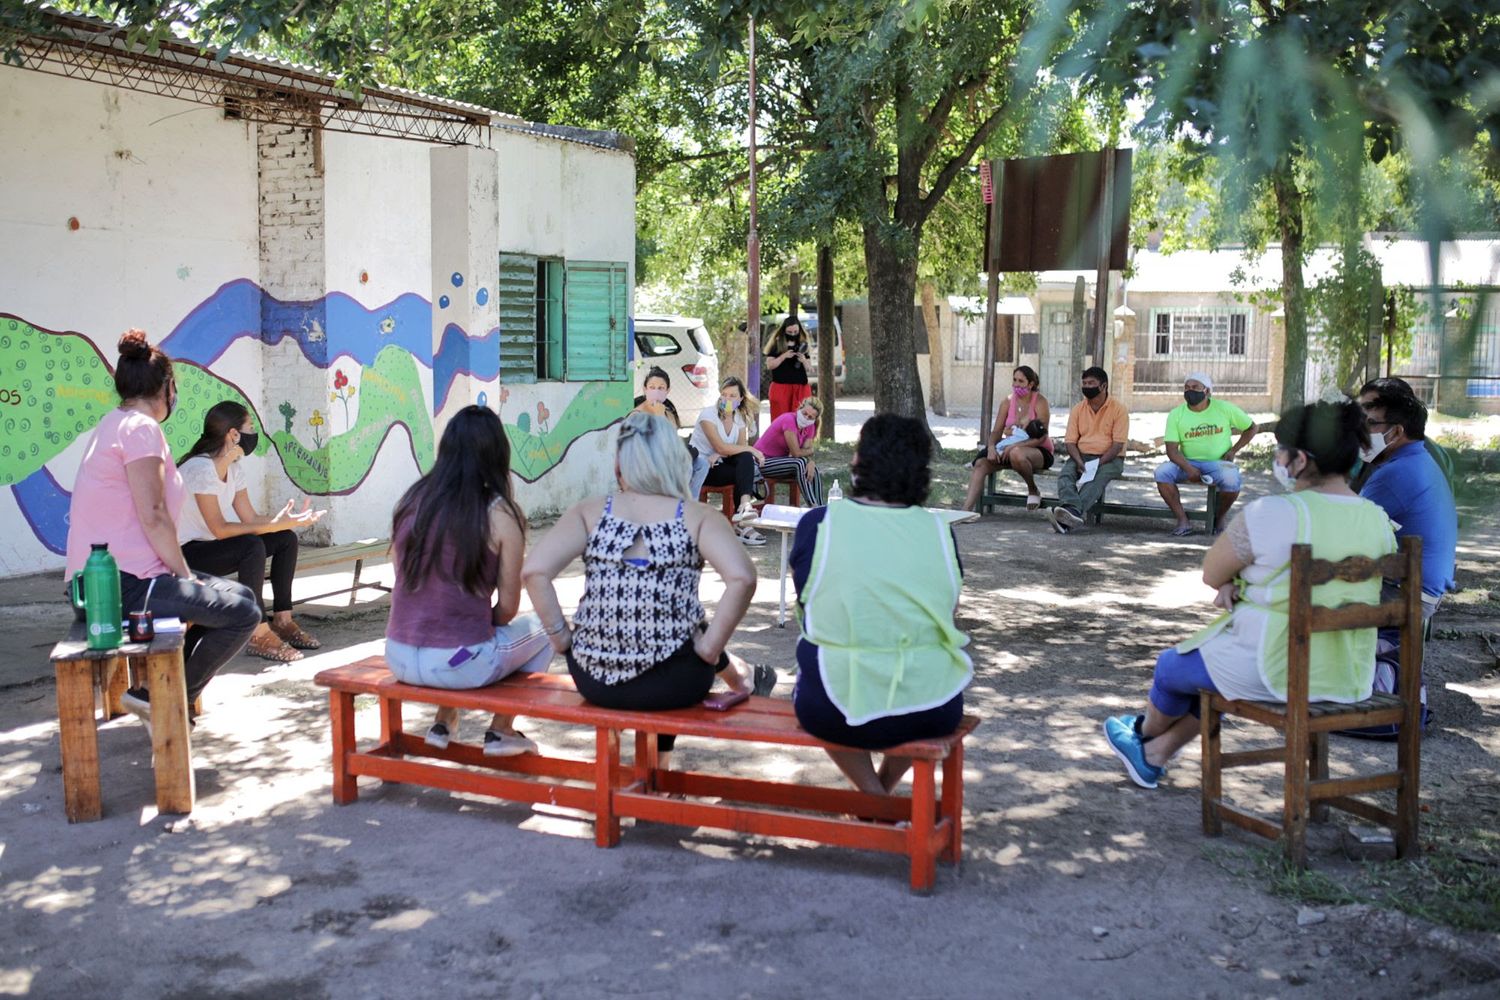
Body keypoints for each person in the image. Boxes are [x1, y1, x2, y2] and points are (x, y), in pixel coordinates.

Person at [1102, 401, 1397, 789]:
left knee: (1174, 668)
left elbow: (1211, 572)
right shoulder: (1377, 517)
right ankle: (1154, 754)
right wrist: (1240, 583)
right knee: (1212, 669)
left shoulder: (1272, 512)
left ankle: (1143, 735)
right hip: (1349, 674)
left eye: (1281, 451)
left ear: (1299, 460)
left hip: (1275, 667)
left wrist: (1231, 582)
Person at [522, 411, 775, 771]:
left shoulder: (589, 512)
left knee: (670, 629)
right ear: (675, 462)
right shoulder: (699, 516)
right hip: (675, 681)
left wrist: (562, 640)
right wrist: (709, 647)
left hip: (594, 676)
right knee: (683, 633)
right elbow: (743, 578)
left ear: (619, 466)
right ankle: (663, 769)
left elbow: (534, 571)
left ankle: (657, 773)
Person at [64, 330, 261, 733]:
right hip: (122, 587)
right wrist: (184, 576)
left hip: (116, 582)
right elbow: (153, 513)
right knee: (243, 613)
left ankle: (159, 694)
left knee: (240, 595)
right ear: (168, 388)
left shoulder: (115, 423)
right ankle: (167, 699)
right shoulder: (140, 429)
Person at [790, 414, 972, 794]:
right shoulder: (941, 533)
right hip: (931, 704)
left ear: (857, 462)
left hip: (835, 703)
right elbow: (947, 612)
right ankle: (880, 796)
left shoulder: (819, 524)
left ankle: (874, 798)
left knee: (812, 655)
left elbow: (811, 607)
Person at [385, 405, 552, 757]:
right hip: (458, 661)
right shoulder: (501, 513)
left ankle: (444, 721)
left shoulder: (411, 501)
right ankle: (501, 730)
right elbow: (507, 610)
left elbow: (410, 586)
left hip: (398, 654)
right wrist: (471, 619)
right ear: (497, 454)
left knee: (456, 635)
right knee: (548, 626)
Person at [177, 401, 326, 662]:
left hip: (210, 546)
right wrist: (276, 523)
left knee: (285, 540)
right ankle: (257, 633)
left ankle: (282, 619)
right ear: (233, 434)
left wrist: (288, 521)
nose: (253, 433)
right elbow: (220, 529)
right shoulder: (199, 469)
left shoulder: (234, 469)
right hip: (185, 554)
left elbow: (251, 518)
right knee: (250, 547)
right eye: (250, 427)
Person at [1352, 381, 1457, 734]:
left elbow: (1345, 538)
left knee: (1303, 589)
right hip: (1418, 585)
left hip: (1407, 592)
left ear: (1396, 431)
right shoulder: (1417, 459)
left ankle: (1327, 691)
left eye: (1368, 424)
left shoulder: (1395, 473)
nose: (1359, 431)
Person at [1154, 372, 1257, 536]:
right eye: (1186, 388)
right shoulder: (1176, 414)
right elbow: (1171, 450)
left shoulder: (1224, 408)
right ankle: (1182, 520)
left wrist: (1233, 450)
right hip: (1187, 462)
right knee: (1162, 472)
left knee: (1232, 480)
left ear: (1207, 391)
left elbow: (1252, 427)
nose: (1190, 391)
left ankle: (1219, 518)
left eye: (1195, 387)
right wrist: (1188, 468)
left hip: (1218, 463)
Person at [1047, 366, 1129, 534]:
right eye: (1084, 383)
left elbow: (1117, 445)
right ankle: (1071, 511)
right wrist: (1078, 461)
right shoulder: (1078, 409)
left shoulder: (1119, 410)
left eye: (1091, 383)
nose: (1086, 386)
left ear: (1104, 386)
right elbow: (1070, 442)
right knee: (1065, 475)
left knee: (1095, 479)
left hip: (1110, 459)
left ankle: (1069, 515)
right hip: (1081, 455)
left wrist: (1098, 463)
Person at [962, 365, 1054, 511]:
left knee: (1017, 453)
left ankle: (1033, 490)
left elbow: (1042, 437)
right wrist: (991, 447)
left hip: (1038, 450)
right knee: (980, 464)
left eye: (1021, 381)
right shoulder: (1007, 401)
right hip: (1008, 451)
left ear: (1030, 384)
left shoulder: (1040, 402)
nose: (1016, 384)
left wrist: (1015, 447)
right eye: (1014, 380)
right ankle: (965, 511)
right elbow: (997, 431)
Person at [688, 376, 766, 545]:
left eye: (732, 396)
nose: (727, 399)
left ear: (740, 399)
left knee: (744, 461)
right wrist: (752, 449)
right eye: (724, 394)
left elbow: (738, 450)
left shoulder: (739, 417)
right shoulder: (708, 415)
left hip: (721, 464)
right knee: (745, 463)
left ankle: (744, 508)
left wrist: (722, 454)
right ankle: (743, 525)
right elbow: (723, 447)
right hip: (703, 468)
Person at [756, 395, 823, 506]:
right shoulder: (789, 420)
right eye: (805, 413)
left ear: (815, 419)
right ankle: (813, 506)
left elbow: (805, 451)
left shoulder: (810, 426)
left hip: (779, 462)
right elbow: (796, 453)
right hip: (761, 461)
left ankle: (821, 510)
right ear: (799, 408)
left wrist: (811, 461)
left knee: (812, 469)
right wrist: (810, 452)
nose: (806, 418)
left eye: (811, 417)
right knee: (799, 463)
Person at [764, 315, 812, 421]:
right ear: (784, 331)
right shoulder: (777, 344)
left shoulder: (803, 345)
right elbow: (770, 365)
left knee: (800, 419)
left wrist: (803, 360)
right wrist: (783, 356)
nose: (793, 335)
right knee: (780, 418)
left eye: (795, 332)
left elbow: (809, 369)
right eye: (790, 332)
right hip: (781, 387)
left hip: (800, 387)